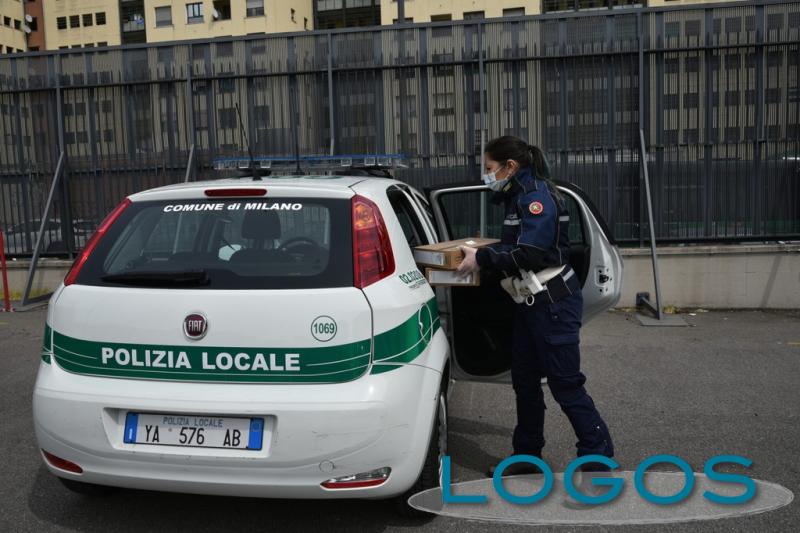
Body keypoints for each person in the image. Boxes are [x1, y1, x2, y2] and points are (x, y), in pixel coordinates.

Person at [456, 135, 614, 477]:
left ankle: (598, 458)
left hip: (552, 305)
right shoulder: (519, 197)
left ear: (510, 167)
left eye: (489, 169)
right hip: (531, 303)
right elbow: (519, 246)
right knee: (525, 383)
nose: (487, 176)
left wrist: (482, 257)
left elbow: (533, 253)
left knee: (565, 384)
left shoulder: (535, 198)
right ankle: (527, 457)